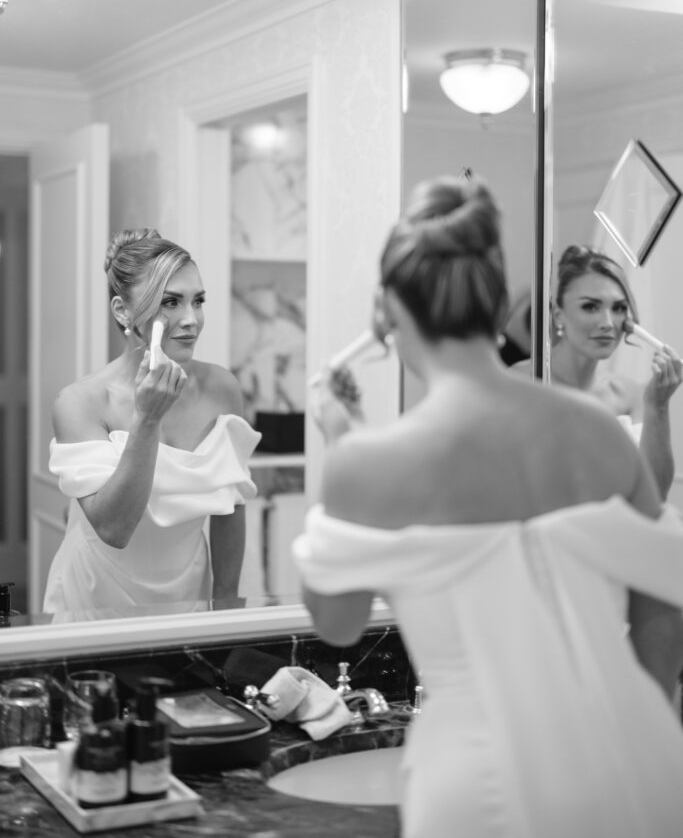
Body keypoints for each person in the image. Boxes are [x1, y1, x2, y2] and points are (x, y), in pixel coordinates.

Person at [292, 175, 683, 838]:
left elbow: (337, 622)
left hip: (475, 780)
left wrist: (341, 437)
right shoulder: (595, 428)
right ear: (502, 304)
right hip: (626, 764)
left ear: (385, 313)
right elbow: (663, 605)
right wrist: (640, 727)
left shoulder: (370, 461)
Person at [43, 228, 259, 617]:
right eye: (170, 302)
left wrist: (226, 601)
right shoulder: (81, 403)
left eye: (198, 301)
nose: (191, 320)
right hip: (97, 595)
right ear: (122, 311)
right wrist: (147, 418)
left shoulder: (222, 388)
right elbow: (114, 528)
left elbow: (232, 503)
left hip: (191, 589)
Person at [515, 244, 682, 498]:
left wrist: (658, 407)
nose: (608, 323)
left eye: (618, 308)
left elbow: (655, 494)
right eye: (590, 307)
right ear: (558, 316)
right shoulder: (521, 382)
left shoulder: (630, 396)